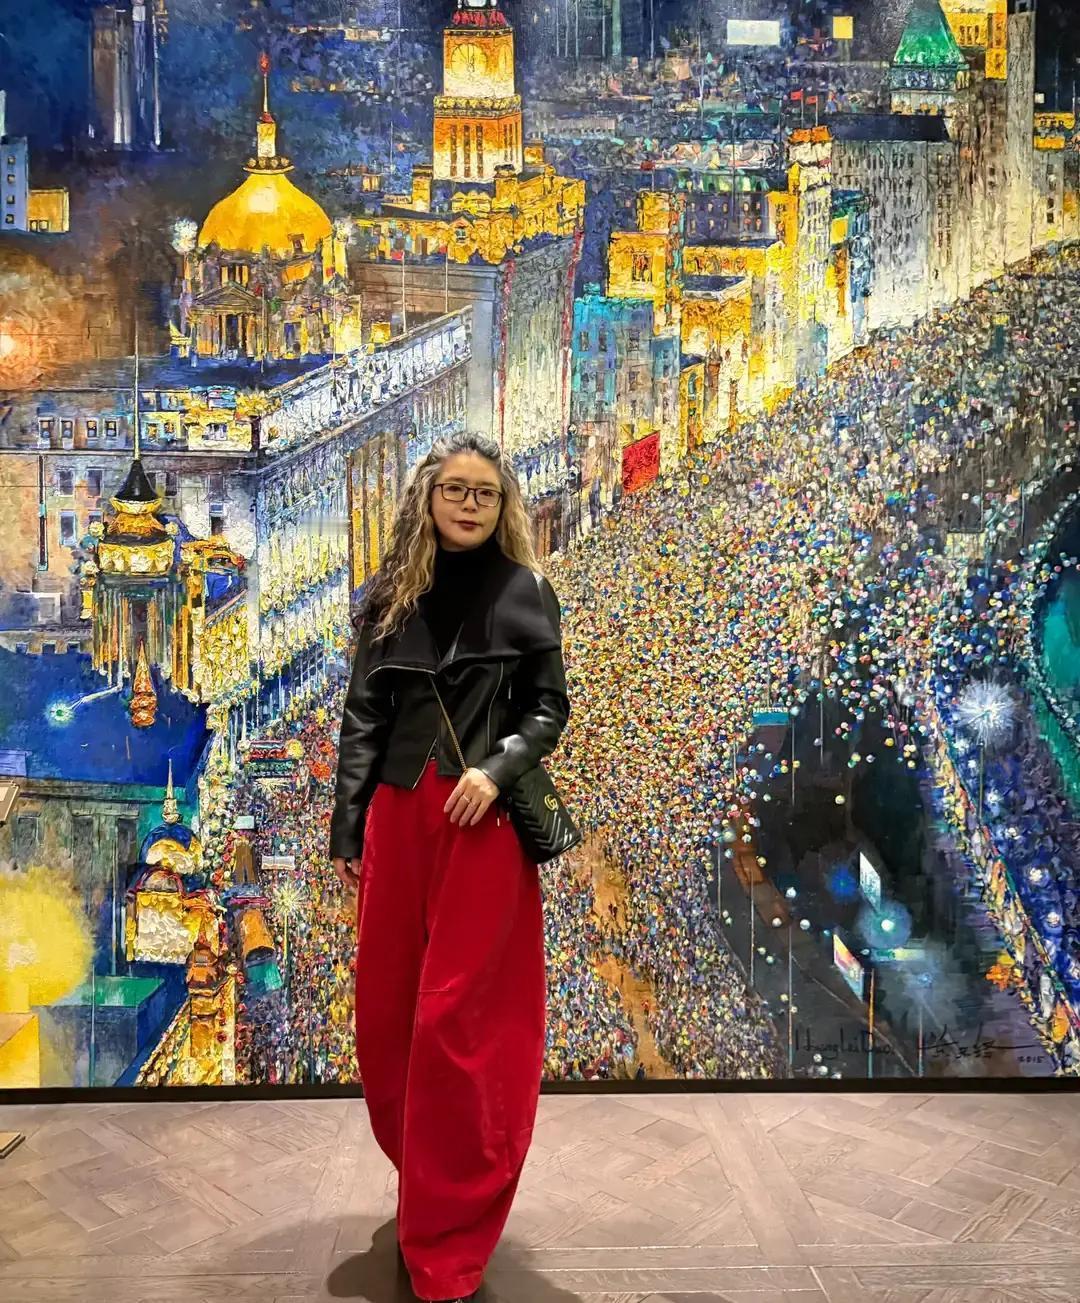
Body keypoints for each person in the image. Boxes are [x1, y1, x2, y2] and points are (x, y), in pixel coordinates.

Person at [329, 430, 571, 1302]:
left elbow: (548, 709)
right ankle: (425, 1179)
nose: (470, 504)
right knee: (388, 1015)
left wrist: (496, 768)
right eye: (455, 489)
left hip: (482, 826)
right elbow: (363, 718)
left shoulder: (525, 592)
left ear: (504, 507)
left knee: (458, 1025)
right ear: (427, 499)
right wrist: (348, 829)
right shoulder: (389, 598)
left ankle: (451, 1233)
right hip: (400, 821)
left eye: (485, 493)